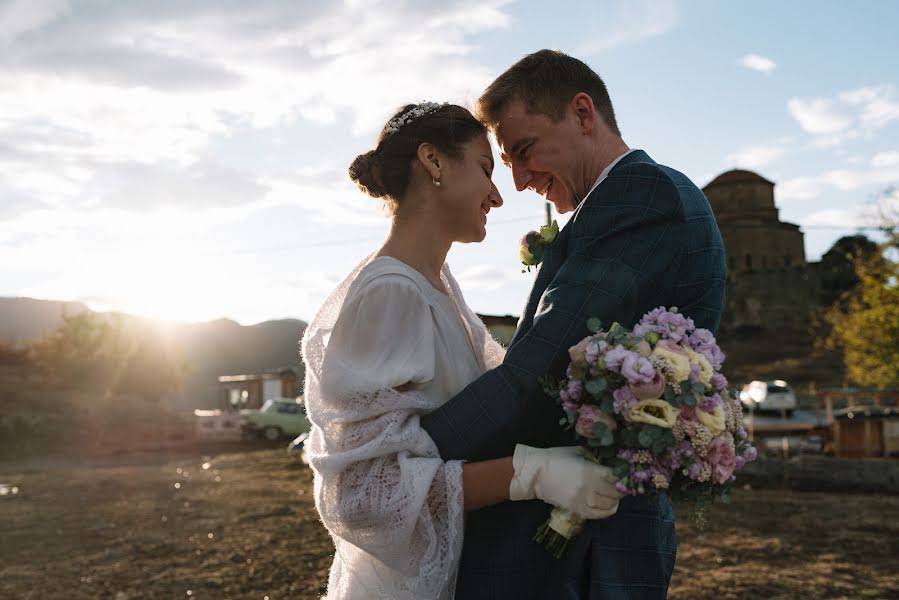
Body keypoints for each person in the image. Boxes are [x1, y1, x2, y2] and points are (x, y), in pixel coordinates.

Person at [420, 50, 727, 599]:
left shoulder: (640, 196)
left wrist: (409, 453)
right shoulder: (611, 204)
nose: (517, 181)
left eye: (525, 150)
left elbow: (542, 368)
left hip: (580, 550)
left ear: (583, 113)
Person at [301, 102, 623, 600]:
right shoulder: (391, 292)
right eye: (485, 169)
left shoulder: (439, 286)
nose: (497, 196)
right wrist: (529, 474)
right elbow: (363, 495)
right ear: (433, 161)